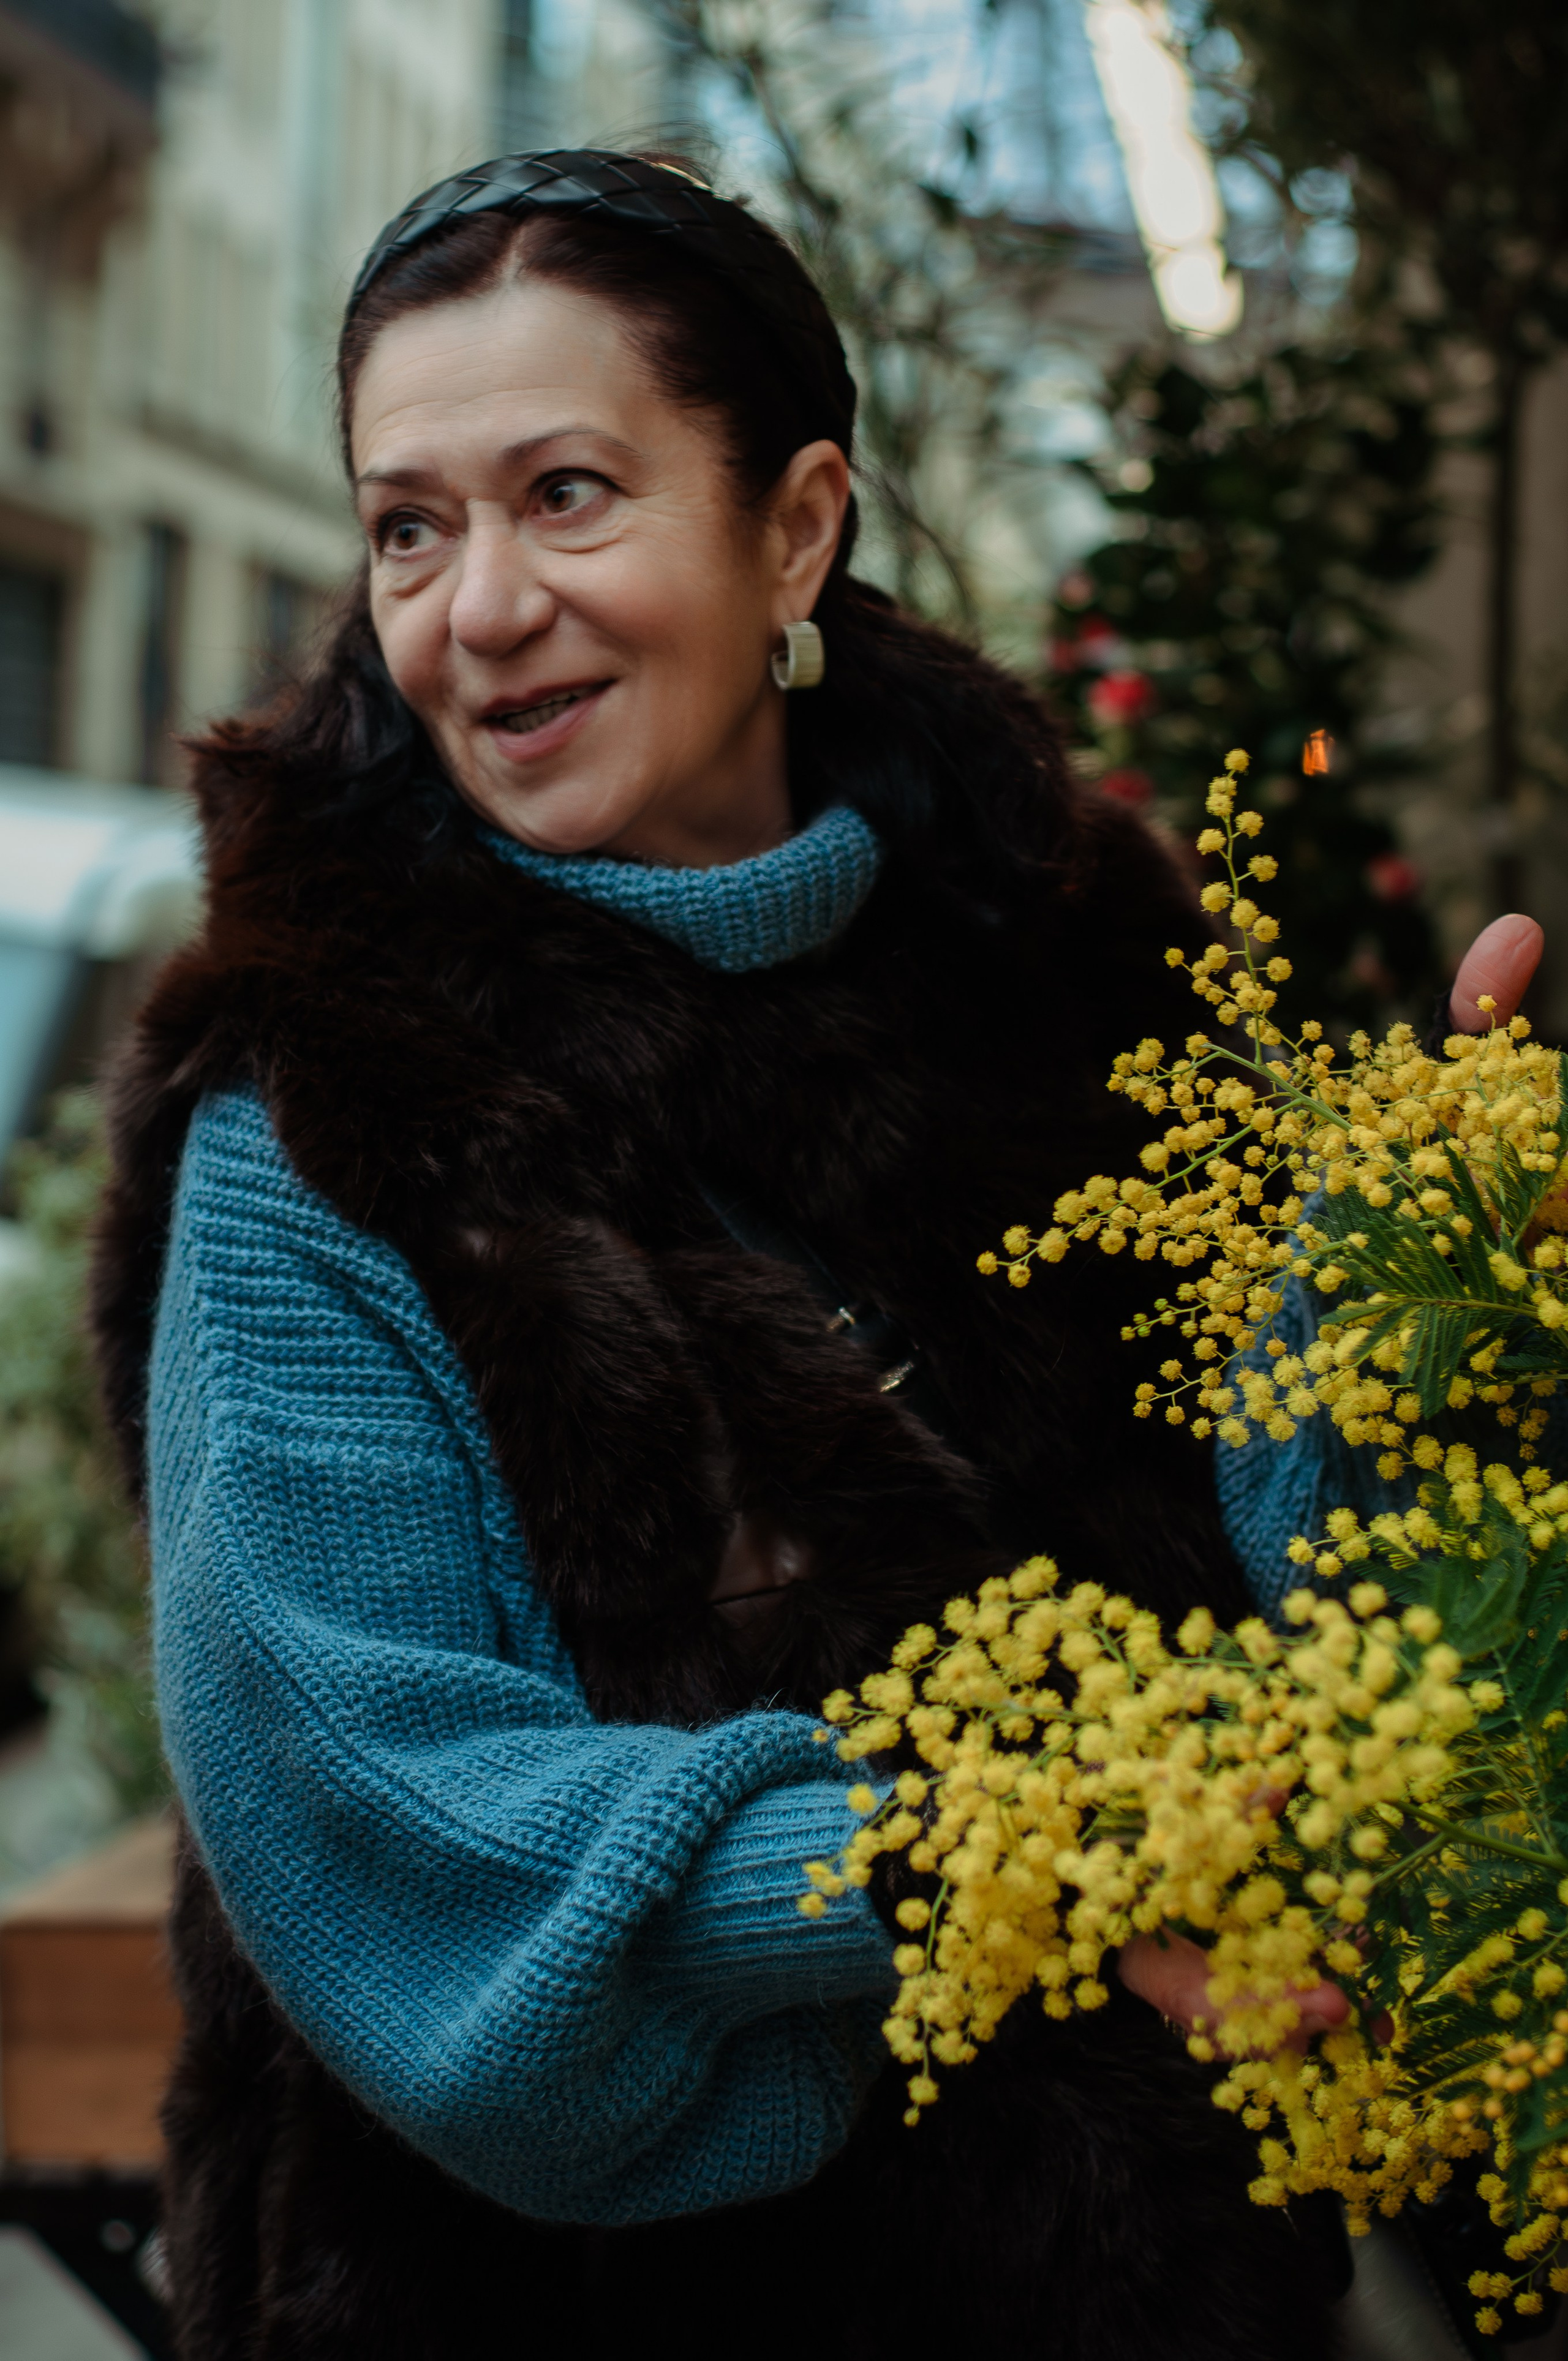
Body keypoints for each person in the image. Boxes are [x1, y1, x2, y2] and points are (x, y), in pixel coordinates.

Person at [89, 149, 1529, 2359]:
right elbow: (391, 1820)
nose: (475, 606)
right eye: (411, 521)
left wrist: (1440, 1260)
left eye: (567, 493)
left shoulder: (1081, 974)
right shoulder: (329, 1127)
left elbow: (1308, 1588)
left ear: (797, 527)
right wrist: (980, 1853)